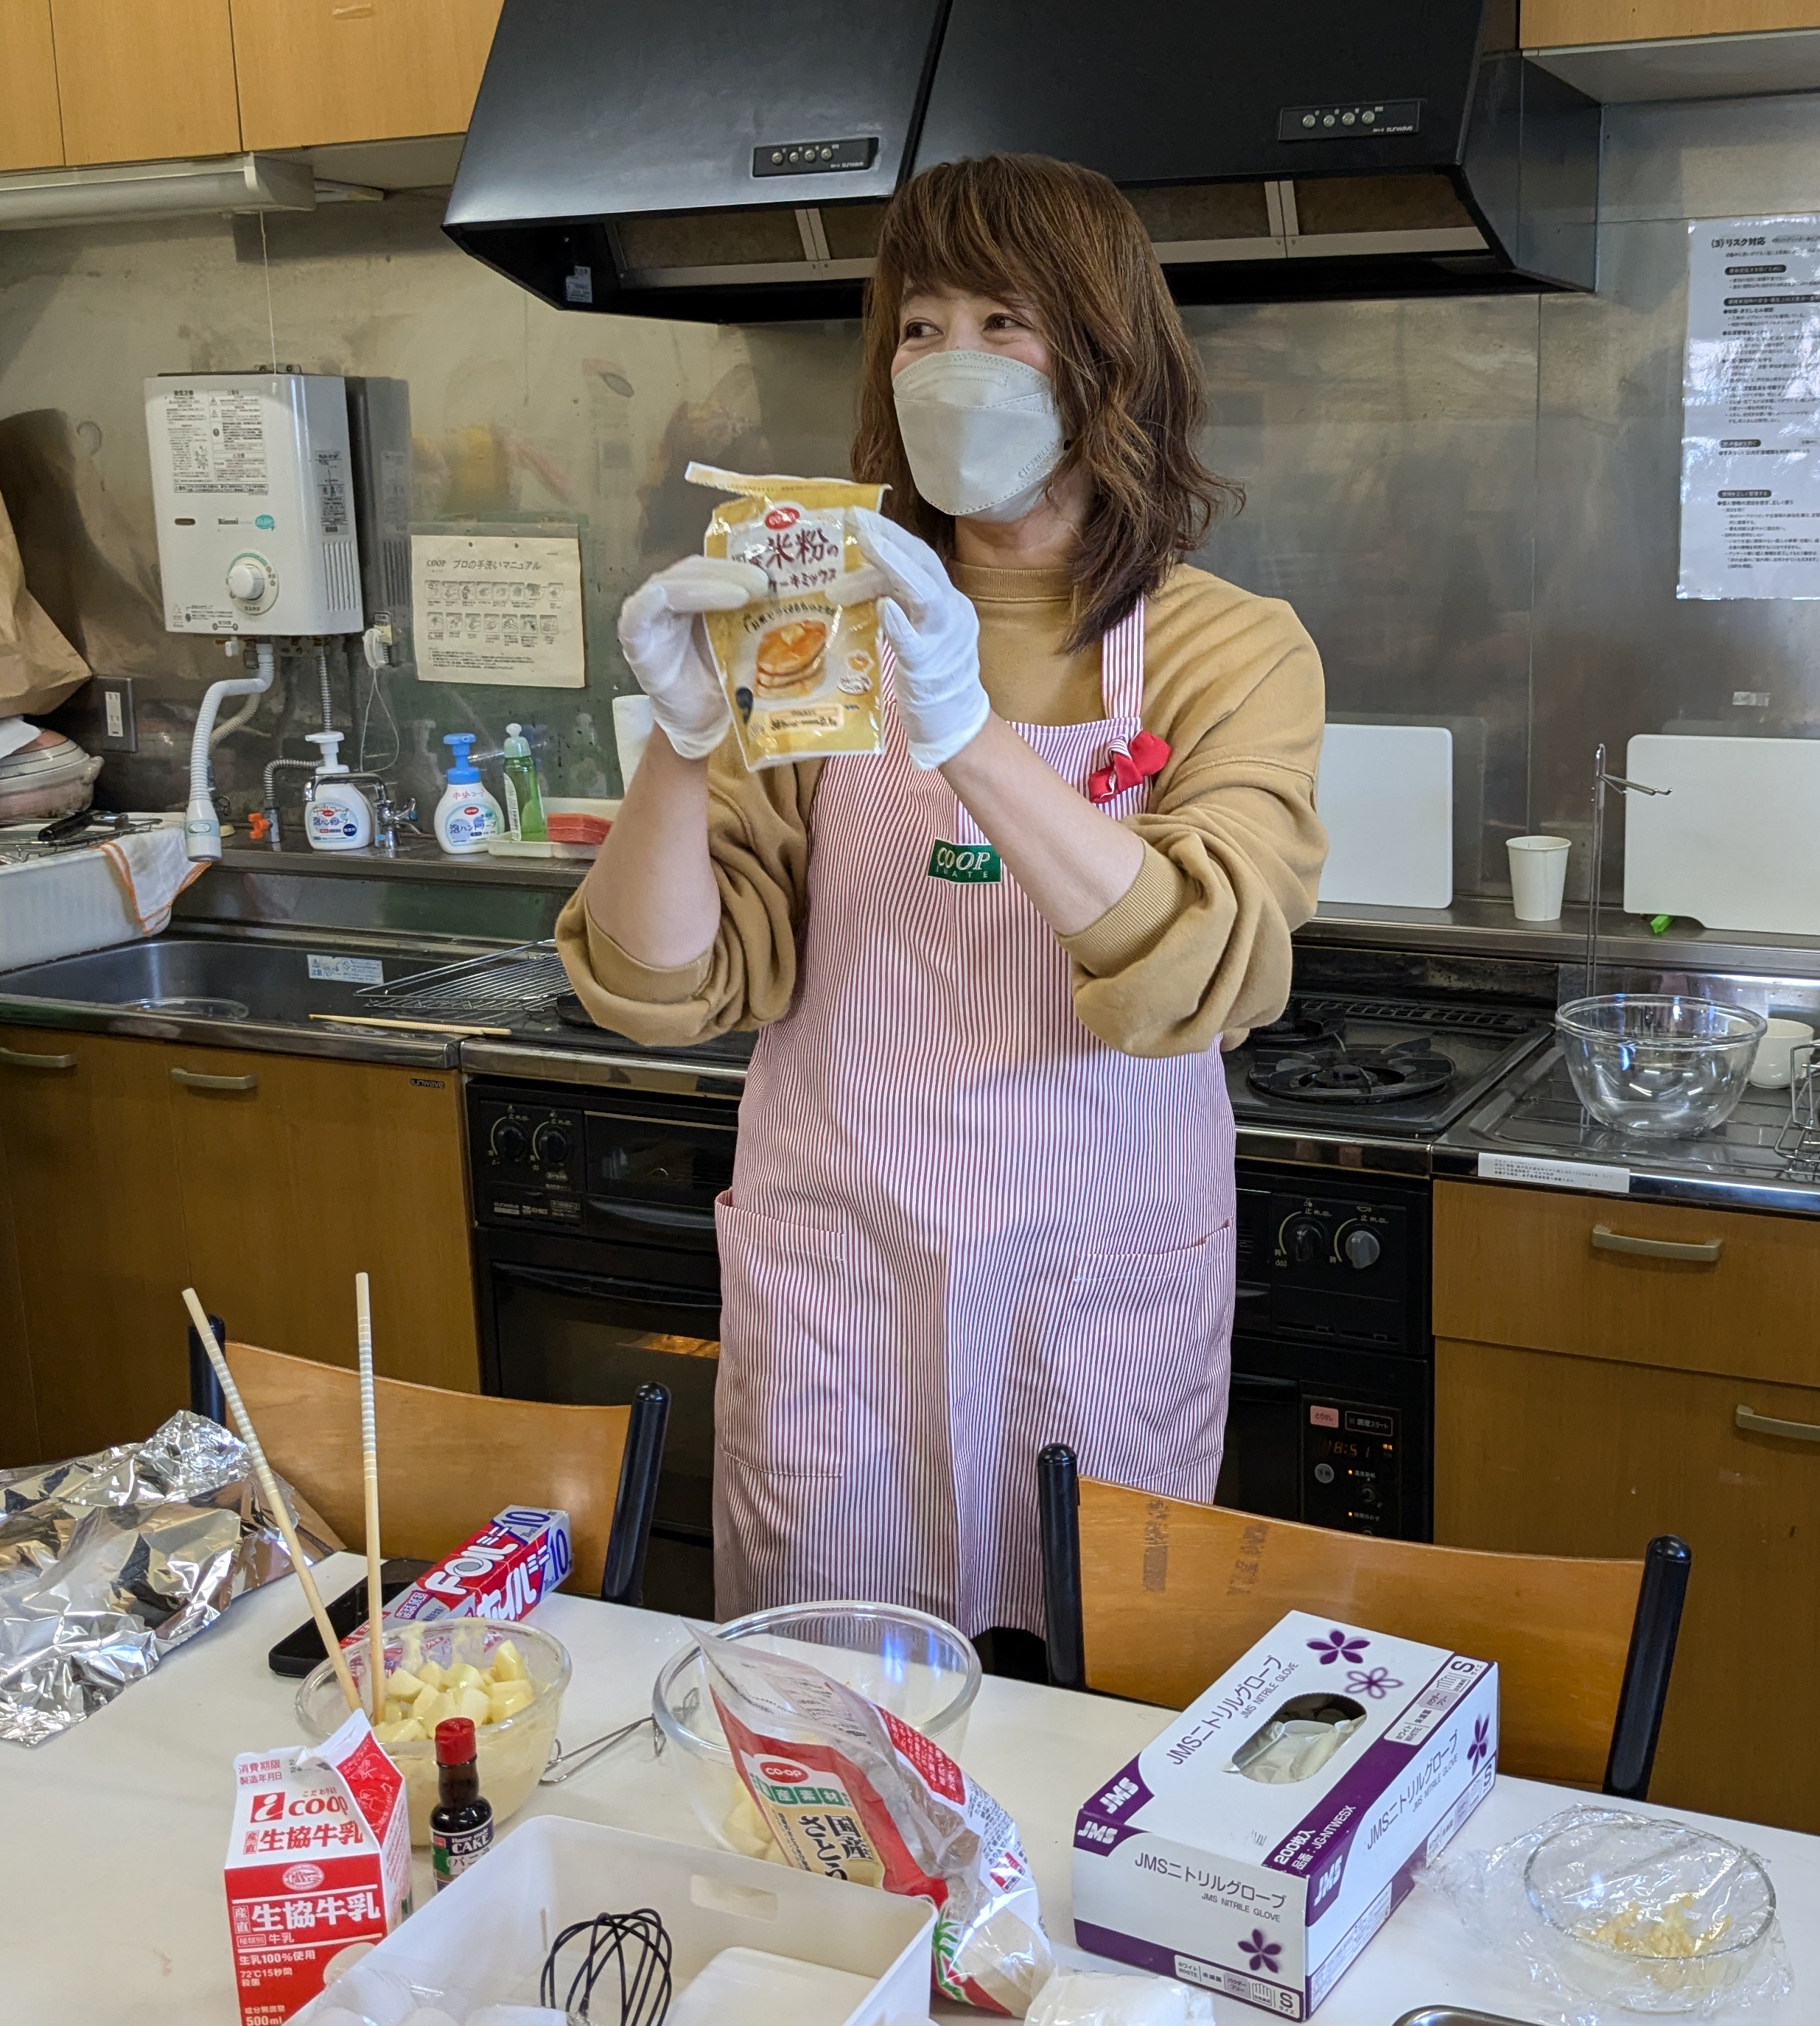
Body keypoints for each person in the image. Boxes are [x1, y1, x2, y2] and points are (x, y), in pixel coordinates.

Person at [561, 155, 1326, 1654]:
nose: (947, 363)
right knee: (831, 1711)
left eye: (1002, 323)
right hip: (844, 1288)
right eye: (920, 326)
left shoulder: (1229, 648)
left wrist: (965, 729)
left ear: (1106, 360)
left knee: (1090, 1694)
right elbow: (657, 988)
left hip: (1093, 1290)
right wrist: (684, 743)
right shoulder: (814, 640)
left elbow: (1201, 968)